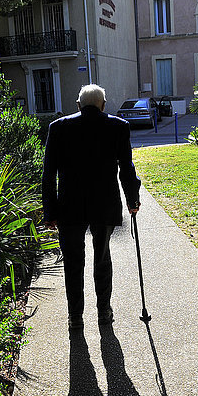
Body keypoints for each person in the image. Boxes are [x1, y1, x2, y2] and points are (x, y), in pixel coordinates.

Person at [42, 84, 141, 330]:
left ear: (78, 105)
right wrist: (132, 200)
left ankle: (75, 317)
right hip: (104, 204)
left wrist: (50, 212)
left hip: (69, 207)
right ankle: (103, 312)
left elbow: (48, 175)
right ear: (103, 105)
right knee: (103, 259)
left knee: (73, 262)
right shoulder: (118, 127)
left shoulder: (58, 128)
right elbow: (126, 169)